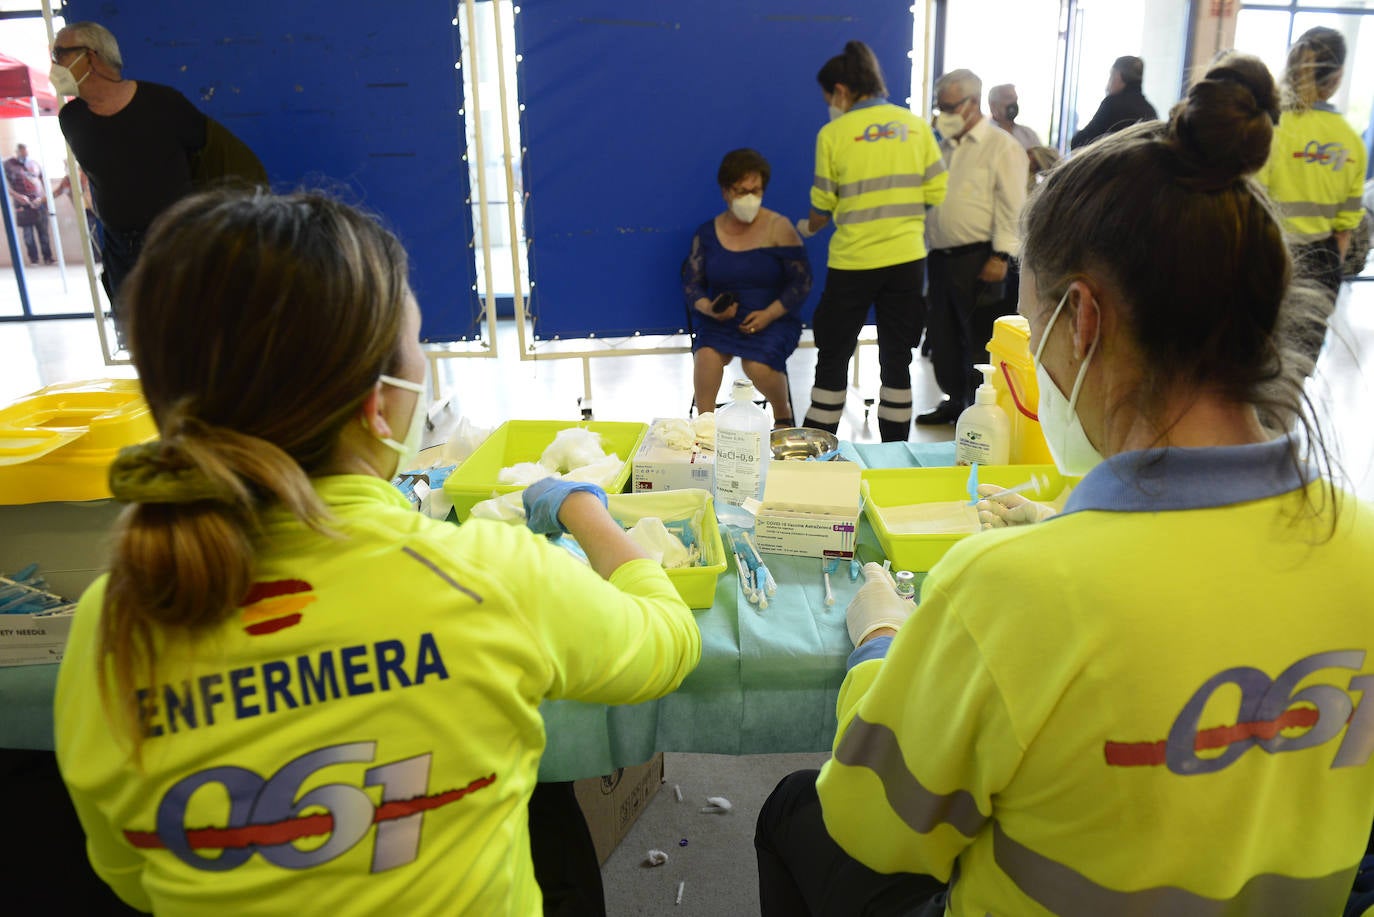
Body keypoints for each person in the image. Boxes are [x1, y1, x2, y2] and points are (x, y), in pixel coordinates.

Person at [755, 53, 1374, 916]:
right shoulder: (1361, 550)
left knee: (792, 809)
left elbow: (871, 825)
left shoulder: (1010, 592)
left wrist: (878, 646)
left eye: (1033, 324)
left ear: (1082, 320)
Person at [53, 189, 702, 916]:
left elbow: (128, 870)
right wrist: (584, 507)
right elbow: (668, 640)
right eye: (417, 344)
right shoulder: (484, 578)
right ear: (377, 401)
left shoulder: (110, 622)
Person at [51, 21, 265, 321]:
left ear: (92, 57)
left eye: (60, 53)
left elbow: (212, 152)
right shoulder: (71, 119)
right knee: (136, 330)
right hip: (119, 248)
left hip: (174, 242)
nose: (54, 63)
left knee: (187, 326)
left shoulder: (163, 103)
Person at [798, 40, 947, 442]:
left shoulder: (834, 133)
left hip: (852, 263)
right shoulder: (916, 127)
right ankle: (895, 453)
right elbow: (936, 191)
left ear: (841, 90)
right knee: (898, 359)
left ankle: (816, 453)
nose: (830, 103)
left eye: (829, 95)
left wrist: (806, 227)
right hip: (906, 261)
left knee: (833, 356)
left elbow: (822, 206)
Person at [917, 69, 1027, 425]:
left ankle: (980, 411)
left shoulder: (1002, 147)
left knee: (978, 338)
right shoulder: (943, 146)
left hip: (981, 257)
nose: (942, 114)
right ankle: (953, 400)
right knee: (943, 336)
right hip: (941, 256)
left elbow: (1013, 205)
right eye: (939, 106)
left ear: (973, 104)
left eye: (949, 106)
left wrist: (1001, 255)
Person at [682, 148, 812, 424]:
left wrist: (769, 314)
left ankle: (782, 416)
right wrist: (711, 309)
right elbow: (692, 284)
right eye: (742, 191)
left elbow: (801, 282)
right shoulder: (707, 233)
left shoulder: (780, 227)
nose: (750, 199)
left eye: (757, 190)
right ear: (725, 192)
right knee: (706, 356)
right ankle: (705, 427)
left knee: (756, 365)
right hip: (721, 320)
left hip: (773, 318)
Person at [1256, 26, 1366, 311]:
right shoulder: (1352, 142)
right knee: (1304, 354)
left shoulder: (1271, 126)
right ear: (1338, 77)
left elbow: (1252, 199)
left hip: (1268, 258)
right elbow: (1345, 229)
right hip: (1321, 266)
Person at [1069, 55, 1157, 149]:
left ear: (1118, 76)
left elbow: (1079, 142)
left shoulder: (1112, 104)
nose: (1107, 87)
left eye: (1111, 76)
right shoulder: (1151, 111)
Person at [4, 143, 54, 265]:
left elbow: (42, 182)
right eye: (23, 152)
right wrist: (18, 196)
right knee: (28, 236)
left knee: (44, 233)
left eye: (27, 152)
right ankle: (34, 259)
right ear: (17, 152)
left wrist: (43, 199)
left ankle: (48, 258)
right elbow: (4, 186)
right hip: (23, 205)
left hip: (38, 203)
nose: (25, 155)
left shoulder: (34, 164)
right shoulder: (8, 165)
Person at [55, 169, 102, 263]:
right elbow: (58, 192)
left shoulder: (89, 174)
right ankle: (97, 257)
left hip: (97, 209)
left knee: (98, 234)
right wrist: (41, 201)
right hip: (85, 211)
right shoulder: (69, 180)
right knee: (91, 235)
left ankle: (100, 256)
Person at [987, 83, 1041, 150]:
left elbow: (1040, 158)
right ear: (993, 105)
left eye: (1015, 99)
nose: (1014, 103)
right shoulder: (983, 132)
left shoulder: (1029, 134)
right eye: (1009, 98)